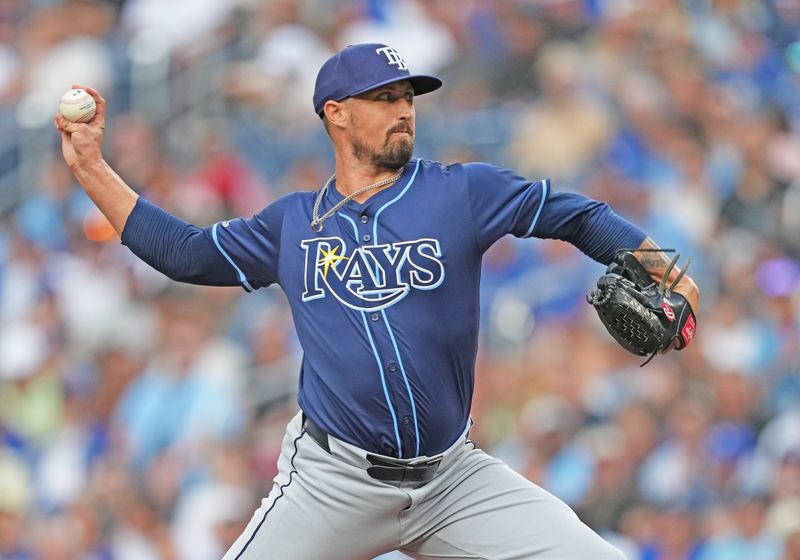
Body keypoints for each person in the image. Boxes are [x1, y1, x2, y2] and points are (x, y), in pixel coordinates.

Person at [56, 43, 700, 560]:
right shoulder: (292, 225)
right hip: (332, 485)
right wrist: (90, 166)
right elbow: (184, 253)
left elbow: (573, 214)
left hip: (452, 481)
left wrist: (655, 265)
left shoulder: (462, 192)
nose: (404, 110)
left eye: (408, 97)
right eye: (384, 98)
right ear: (336, 113)